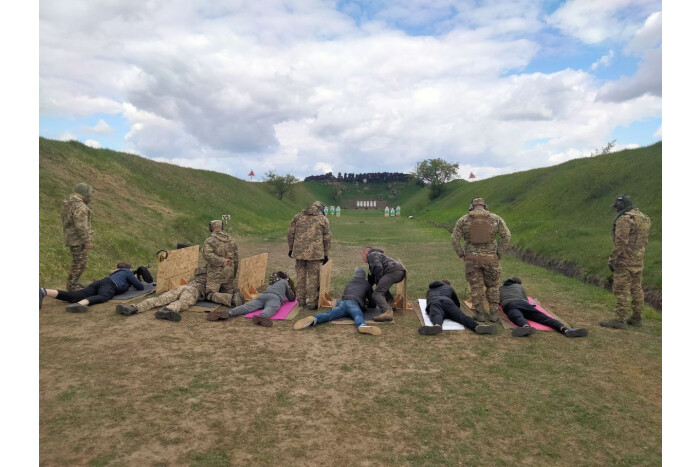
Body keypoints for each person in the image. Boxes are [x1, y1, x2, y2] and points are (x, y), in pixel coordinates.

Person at [451, 197, 511, 322]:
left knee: (476, 287)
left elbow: (454, 239)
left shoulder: (463, 219)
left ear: (472, 206)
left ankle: (480, 314)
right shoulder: (496, 219)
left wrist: (461, 254)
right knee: (493, 286)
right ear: (485, 206)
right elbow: (507, 237)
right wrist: (499, 253)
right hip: (491, 258)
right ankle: (494, 314)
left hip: (471, 259)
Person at [600, 195, 651, 330]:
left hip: (624, 260)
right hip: (638, 259)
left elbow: (620, 241)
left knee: (621, 289)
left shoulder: (625, 219)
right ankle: (636, 318)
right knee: (636, 289)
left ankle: (619, 320)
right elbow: (644, 241)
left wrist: (613, 258)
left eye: (617, 207)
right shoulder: (644, 218)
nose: (616, 210)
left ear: (621, 206)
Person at [294, 266, 381, 335]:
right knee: (357, 315)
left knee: (329, 315)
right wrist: (366, 304)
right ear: (363, 276)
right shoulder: (367, 284)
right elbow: (372, 303)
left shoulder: (350, 282)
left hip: (342, 302)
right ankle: (362, 325)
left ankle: (314, 319)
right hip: (353, 303)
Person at [115, 266, 220, 322]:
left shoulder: (200, 273)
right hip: (194, 290)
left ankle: (134, 308)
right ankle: (168, 310)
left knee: (160, 299)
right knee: (183, 302)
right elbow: (212, 291)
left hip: (183, 286)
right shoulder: (213, 279)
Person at [499, 277, 588, 337]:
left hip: (510, 304)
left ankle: (525, 326)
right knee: (543, 317)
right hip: (523, 303)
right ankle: (565, 329)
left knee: (516, 315)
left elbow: (497, 300)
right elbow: (525, 298)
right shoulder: (519, 286)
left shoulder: (500, 289)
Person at [40, 262, 144, 312]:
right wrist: (134, 277)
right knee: (103, 297)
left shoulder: (116, 273)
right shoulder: (127, 272)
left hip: (100, 282)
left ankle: (44, 291)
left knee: (74, 295)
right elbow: (140, 287)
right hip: (110, 285)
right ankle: (79, 304)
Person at [207, 271, 296, 327]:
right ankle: (262, 317)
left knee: (247, 306)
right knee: (271, 308)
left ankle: (230, 313)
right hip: (274, 297)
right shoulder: (284, 282)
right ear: (285, 278)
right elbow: (291, 297)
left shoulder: (272, 283)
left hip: (263, 296)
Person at [287, 201, 332, 310]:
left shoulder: (298, 217)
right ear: (321, 209)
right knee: (313, 278)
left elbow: (290, 233)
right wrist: (326, 253)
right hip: (315, 254)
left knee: (300, 277)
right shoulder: (323, 219)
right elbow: (327, 238)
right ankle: (312, 303)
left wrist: (291, 248)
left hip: (299, 253)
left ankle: (301, 301)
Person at [418, 279, 499, 336]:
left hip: (435, 302)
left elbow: (428, 301)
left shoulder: (430, 291)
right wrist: (455, 310)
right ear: (448, 284)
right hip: (448, 302)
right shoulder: (449, 288)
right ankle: (476, 326)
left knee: (436, 314)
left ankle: (437, 325)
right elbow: (456, 302)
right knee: (461, 317)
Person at [61, 182, 94, 291]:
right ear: (85, 194)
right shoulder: (81, 207)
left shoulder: (69, 203)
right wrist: (87, 241)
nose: (91, 196)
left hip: (72, 237)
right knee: (80, 263)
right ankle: (72, 286)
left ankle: (74, 284)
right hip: (78, 240)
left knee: (78, 262)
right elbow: (81, 226)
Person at [363, 247, 406, 322]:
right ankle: (391, 304)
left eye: (362, 255)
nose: (362, 258)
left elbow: (378, 268)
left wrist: (378, 283)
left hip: (392, 272)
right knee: (382, 288)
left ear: (366, 253)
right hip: (398, 271)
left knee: (377, 293)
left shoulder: (371, 255)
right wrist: (366, 287)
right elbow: (371, 278)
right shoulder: (376, 256)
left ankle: (388, 312)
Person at [202, 220, 239, 305]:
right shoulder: (231, 240)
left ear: (211, 228)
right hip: (229, 272)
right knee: (228, 290)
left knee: (209, 294)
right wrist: (233, 274)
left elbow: (207, 255)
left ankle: (231, 299)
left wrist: (222, 261)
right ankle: (233, 295)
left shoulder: (210, 240)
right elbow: (236, 259)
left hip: (215, 274)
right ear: (222, 227)